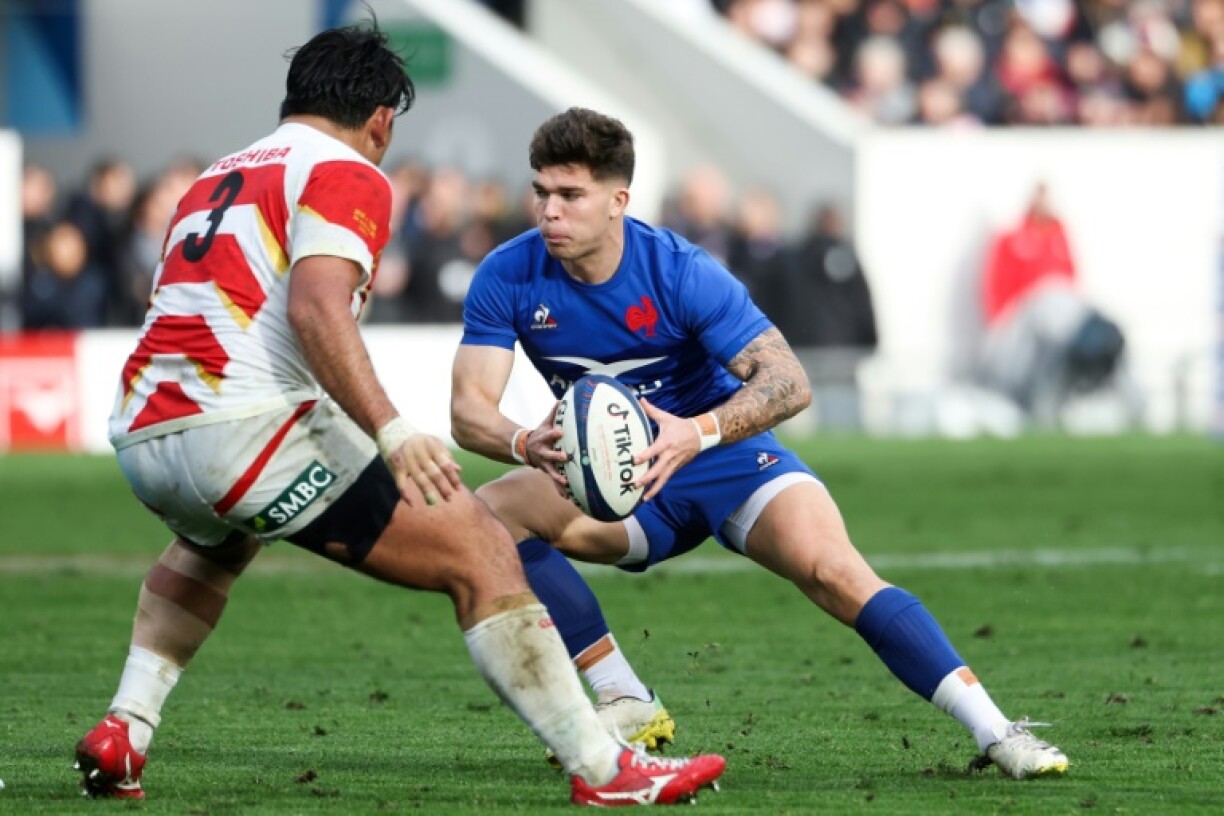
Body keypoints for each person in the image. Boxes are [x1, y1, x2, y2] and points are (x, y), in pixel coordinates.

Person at [74, 25, 724, 807]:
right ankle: (604, 769)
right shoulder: (346, 170)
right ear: (381, 120)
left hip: (143, 430)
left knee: (215, 545)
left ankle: (125, 728)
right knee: (481, 548)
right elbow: (317, 309)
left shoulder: (217, 174)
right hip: (245, 425)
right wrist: (390, 430)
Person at [450, 107, 1069, 783]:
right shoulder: (508, 274)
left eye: (570, 195)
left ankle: (997, 731)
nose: (549, 211)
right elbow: (467, 410)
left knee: (835, 571)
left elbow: (789, 381)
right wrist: (525, 443)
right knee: (491, 515)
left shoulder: (681, 271)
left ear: (618, 200)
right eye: (541, 191)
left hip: (724, 456)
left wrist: (696, 432)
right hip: (627, 480)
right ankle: (625, 697)